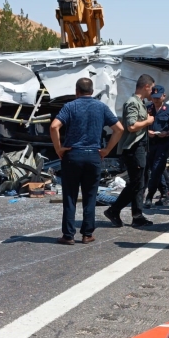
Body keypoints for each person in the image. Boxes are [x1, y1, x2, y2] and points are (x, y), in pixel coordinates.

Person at [50, 77, 124, 245]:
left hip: (73, 155)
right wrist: (106, 150)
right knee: (90, 195)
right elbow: (119, 129)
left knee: (70, 196)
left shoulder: (70, 107)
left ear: (76, 91)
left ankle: (68, 235)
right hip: (93, 155)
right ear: (92, 91)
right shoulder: (101, 107)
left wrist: (59, 148)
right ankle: (87, 233)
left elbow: (54, 126)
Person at [104, 74, 156, 228]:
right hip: (133, 148)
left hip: (140, 147)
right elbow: (131, 126)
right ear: (146, 86)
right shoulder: (132, 103)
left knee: (141, 182)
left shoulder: (141, 103)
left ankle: (137, 215)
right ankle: (114, 210)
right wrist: (148, 121)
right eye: (152, 88)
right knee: (135, 183)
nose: (152, 92)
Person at [144, 85, 169, 207]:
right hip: (151, 143)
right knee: (154, 168)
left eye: (158, 97)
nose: (156, 100)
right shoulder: (148, 109)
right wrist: (148, 132)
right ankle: (165, 192)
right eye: (154, 97)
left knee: (156, 169)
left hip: (164, 143)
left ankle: (150, 196)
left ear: (164, 96)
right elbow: (143, 124)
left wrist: (167, 133)